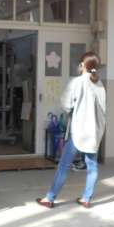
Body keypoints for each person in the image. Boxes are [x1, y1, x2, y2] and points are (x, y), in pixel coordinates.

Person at [36, 52, 106, 209]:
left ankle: (50, 198)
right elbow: (103, 109)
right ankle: (86, 199)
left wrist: (73, 110)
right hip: (94, 132)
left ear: (82, 65)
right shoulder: (99, 84)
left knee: (64, 165)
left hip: (79, 131)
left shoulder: (77, 82)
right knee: (92, 166)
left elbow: (66, 104)